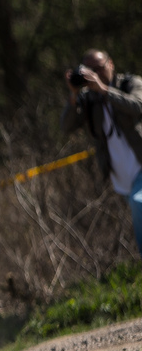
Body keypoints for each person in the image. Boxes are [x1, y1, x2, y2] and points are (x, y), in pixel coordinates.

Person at [61, 49, 142, 257]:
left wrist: (105, 90)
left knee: (139, 202)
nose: (94, 74)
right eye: (89, 70)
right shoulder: (89, 99)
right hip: (121, 177)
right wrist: (73, 95)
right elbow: (66, 126)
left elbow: (138, 106)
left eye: (98, 68)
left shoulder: (129, 84)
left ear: (111, 64)